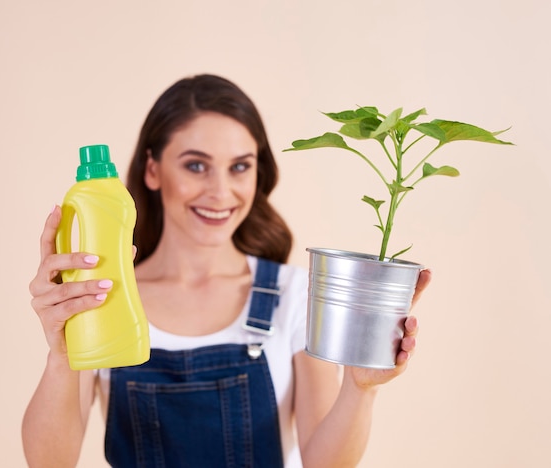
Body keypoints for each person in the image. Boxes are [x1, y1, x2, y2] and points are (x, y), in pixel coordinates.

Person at [22, 74, 431, 468]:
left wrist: (360, 389)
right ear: (152, 170)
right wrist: (60, 356)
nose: (221, 192)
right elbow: (50, 463)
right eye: (196, 166)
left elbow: (324, 463)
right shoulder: (101, 295)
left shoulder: (293, 295)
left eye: (239, 167)